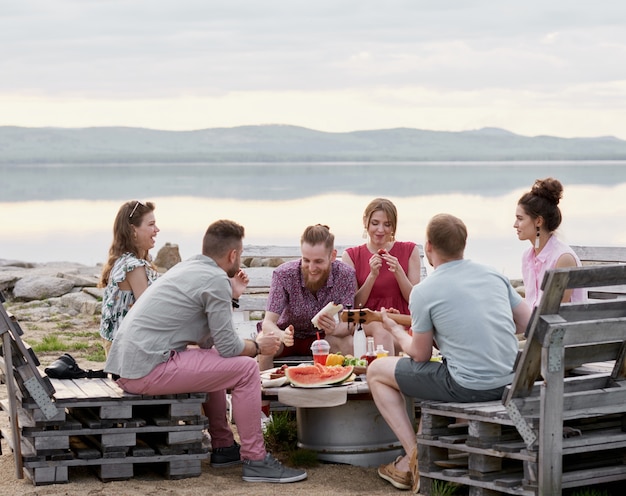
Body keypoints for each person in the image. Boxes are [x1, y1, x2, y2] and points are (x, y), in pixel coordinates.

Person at [104, 219, 307, 484]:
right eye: (241, 253)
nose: (240, 258)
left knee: (218, 363)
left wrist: (232, 297)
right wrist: (258, 346)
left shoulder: (190, 267)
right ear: (232, 254)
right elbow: (229, 347)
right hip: (146, 369)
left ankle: (223, 447)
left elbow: (211, 344)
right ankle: (257, 461)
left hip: (130, 365)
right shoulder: (215, 279)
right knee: (246, 368)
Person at [367, 213, 531, 493]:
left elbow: (418, 355)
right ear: (463, 244)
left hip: (467, 386)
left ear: (428, 246)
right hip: (509, 381)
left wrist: (394, 330)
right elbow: (528, 323)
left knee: (375, 372)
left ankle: (414, 455)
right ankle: (420, 457)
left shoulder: (424, 291)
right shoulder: (493, 274)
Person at [258, 224, 357, 370]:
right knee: (263, 341)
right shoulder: (284, 274)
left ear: (333, 256)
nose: (311, 268)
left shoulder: (345, 274)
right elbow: (268, 323)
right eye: (306, 260)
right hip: (287, 337)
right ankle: (264, 390)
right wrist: (281, 334)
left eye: (318, 261)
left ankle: (351, 389)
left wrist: (334, 330)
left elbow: (348, 325)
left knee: (349, 343)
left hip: (323, 338)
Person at [342, 198, 422, 355]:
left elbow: (414, 300)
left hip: (400, 322)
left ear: (393, 226)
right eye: (375, 223)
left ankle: (384, 374)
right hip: (367, 324)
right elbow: (355, 304)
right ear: (365, 222)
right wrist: (372, 276)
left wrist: (398, 271)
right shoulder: (351, 256)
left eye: (387, 224)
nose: (380, 230)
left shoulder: (409, 251)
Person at [99, 200, 160, 356]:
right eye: (151, 225)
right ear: (133, 230)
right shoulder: (133, 267)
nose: (157, 229)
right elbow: (148, 311)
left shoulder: (124, 260)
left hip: (121, 345)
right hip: (127, 352)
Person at [514, 177, 586, 308]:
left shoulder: (563, 258)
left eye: (520, 219)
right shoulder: (528, 257)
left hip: (562, 327)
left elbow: (554, 311)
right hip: (536, 325)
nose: (515, 225)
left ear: (538, 221)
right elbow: (532, 304)